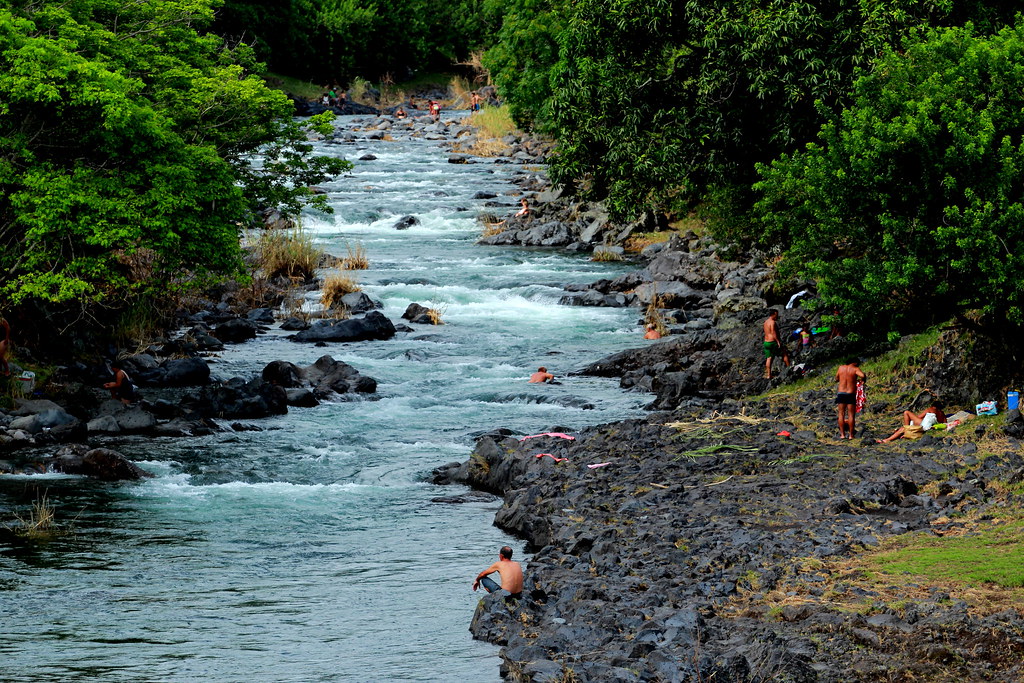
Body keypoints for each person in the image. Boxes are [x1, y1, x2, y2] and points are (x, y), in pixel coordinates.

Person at [877, 401, 947, 443]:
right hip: (930, 426)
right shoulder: (942, 413)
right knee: (902, 428)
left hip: (924, 425)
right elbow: (945, 423)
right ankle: (889, 439)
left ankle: (888, 439)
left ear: (933, 405)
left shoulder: (931, 409)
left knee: (906, 413)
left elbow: (919, 417)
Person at [835, 358, 866, 439]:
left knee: (841, 414)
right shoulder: (855, 369)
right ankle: (851, 435)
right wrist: (862, 380)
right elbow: (862, 375)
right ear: (855, 363)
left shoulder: (841, 368)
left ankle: (842, 434)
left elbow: (836, 378)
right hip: (850, 393)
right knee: (851, 415)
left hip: (841, 393)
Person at [762, 309, 789, 379]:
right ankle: (789, 369)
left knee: (769, 358)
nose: (777, 316)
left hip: (766, 342)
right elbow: (773, 332)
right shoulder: (772, 322)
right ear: (773, 314)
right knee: (784, 353)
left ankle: (769, 375)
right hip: (772, 342)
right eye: (776, 315)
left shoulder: (765, 322)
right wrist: (778, 341)